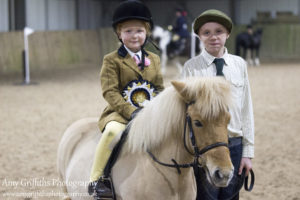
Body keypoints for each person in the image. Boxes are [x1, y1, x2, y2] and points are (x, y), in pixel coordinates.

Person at [88, 0, 164, 198]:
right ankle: (97, 179)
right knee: (113, 133)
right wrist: (131, 112)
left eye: (139, 30)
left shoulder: (154, 59)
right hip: (120, 112)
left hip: (150, 112)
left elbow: (159, 87)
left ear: (146, 32)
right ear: (119, 34)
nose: (134, 36)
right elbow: (110, 92)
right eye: (128, 31)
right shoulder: (111, 60)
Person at [181, 9, 254, 200]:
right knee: (207, 197)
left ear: (228, 34)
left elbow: (246, 110)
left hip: (235, 144)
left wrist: (247, 153)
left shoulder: (239, 65)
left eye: (219, 31)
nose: (213, 37)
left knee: (231, 196)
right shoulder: (191, 67)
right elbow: (185, 114)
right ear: (199, 36)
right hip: (207, 146)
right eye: (207, 33)